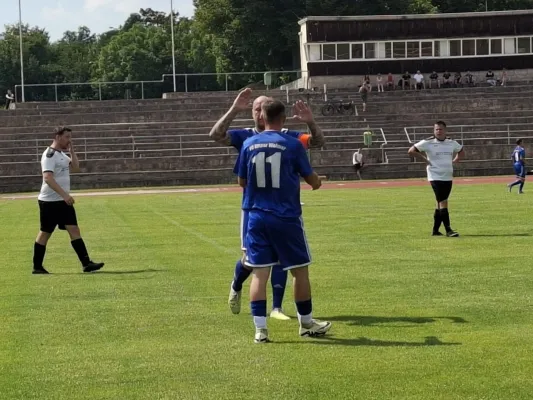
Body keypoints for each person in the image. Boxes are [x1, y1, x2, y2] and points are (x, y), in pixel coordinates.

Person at [209, 88, 325, 321]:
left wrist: (311, 123)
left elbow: (317, 142)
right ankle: (237, 283)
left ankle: (276, 309)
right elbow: (216, 134)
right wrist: (234, 109)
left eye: (263, 109)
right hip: (253, 210)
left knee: (282, 259)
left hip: (279, 211)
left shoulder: (288, 136)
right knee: (252, 262)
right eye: (255, 109)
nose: (260, 114)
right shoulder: (246, 137)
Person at [236, 99, 331, 343]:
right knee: (300, 272)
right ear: (284, 118)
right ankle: (306, 323)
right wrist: (319, 182)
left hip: (256, 216)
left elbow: (241, 182)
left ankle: (260, 330)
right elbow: (312, 180)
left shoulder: (248, 144)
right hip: (285, 216)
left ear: (262, 117)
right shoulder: (290, 144)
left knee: (259, 274)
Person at [32, 127, 105, 274]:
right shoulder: (49, 155)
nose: (69, 140)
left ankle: (86, 263)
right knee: (45, 232)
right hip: (50, 202)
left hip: (62, 201)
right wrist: (65, 195)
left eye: (70, 137)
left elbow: (76, 168)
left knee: (74, 229)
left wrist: (72, 150)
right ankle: (37, 267)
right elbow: (47, 178)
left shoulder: (61, 155)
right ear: (58, 137)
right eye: (66, 137)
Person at [408, 121, 464, 237]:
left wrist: (455, 160)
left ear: (445, 130)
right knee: (443, 201)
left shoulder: (451, 142)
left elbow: (461, 152)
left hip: (447, 176)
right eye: (436, 129)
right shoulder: (428, 142)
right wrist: (425, 160)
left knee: (440, 202)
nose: (438, 131)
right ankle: (449, 230)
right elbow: (411, 151)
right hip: (435, 176)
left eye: (441, 129)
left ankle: (435, 230)